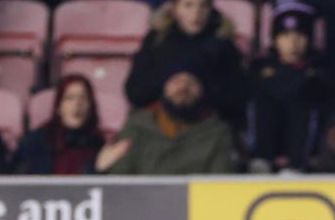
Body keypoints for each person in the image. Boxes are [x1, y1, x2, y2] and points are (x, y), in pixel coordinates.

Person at [124, 0, 247, 132]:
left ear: (211, 8)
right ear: (175, 8)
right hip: (158, 127)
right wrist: (169, 86)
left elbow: (238, 97)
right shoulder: (156, 41)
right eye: (188, 5)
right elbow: (135, 92)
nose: (196, 13)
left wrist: (200, 90)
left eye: (203, 5)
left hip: (208, 129)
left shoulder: (224, 44)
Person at [96, 61, 237, 175]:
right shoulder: (137, 126)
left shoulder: (218, 133)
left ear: (202, 90)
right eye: (176, 81)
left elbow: (220, 183)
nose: (183, 87)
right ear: (164, 87)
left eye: (191, 82)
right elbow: (120, 178)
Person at [248, 0, 328, 173]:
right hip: (268, 145)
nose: (293, 43)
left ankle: (297, 164)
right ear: (275, 39)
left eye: (299, 35)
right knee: (263, 99)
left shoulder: (319, 71)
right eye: (285, 35)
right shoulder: (259, 69)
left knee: (304, 100)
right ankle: (261, 160)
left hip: (303, 154)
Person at [13, 74, 104, 175]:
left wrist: (94, 168)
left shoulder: (98, 143)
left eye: (83, 98)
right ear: (58, 107)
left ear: (91, 107)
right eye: (69, 98)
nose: (77, 104)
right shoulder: (35, 140)